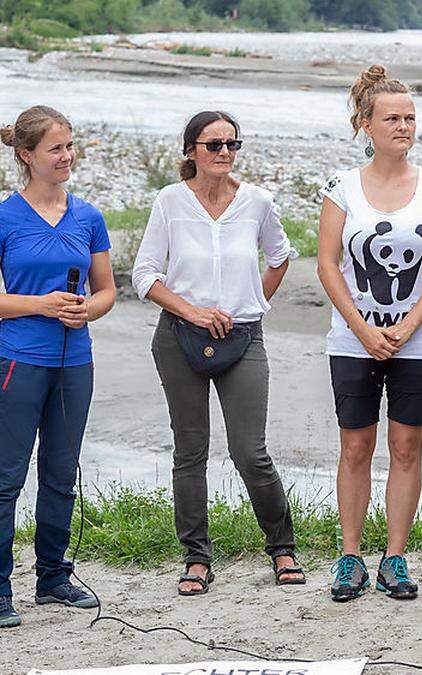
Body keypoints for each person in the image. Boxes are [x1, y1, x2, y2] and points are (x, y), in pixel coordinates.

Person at [132, 110, 304, 596]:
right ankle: (196, 557)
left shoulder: (257, 202)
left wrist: (254, 303)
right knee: (190, 452)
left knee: (250, 452)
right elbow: (145, 275)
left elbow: (280, 256)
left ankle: (283, 547)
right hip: (178, 340)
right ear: (191, 152)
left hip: (244, 338)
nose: (224, 152)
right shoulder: (169, 201)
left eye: (232, 144)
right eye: (213, 145)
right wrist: (193, 311)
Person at [0, 105, 116, 628]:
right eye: (56, 148)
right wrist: (41, 304)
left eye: (71, 146)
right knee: (5, 478)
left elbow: (107, 292)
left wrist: (85, 311)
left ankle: (53, 576)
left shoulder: (88, 216)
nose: (67, 156)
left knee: (59, 475)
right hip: (18, 362)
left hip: (76, 363)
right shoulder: (3, 218)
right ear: (27, 156)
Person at [316, 65, 422, 602]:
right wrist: (363, 329)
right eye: (392, 118)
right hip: (352, 339)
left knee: (406, 445)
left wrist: (407, 325)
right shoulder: (341, 188)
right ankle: (349, 556)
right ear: (365, 125)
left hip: (418, 341)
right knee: (356, 446)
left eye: (410, 118)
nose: (404, 126)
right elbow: (327, 265)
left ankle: (394, 558)